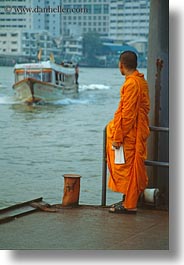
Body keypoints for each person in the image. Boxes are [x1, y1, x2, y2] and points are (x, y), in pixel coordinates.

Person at [106, 51, 150, 214]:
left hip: (132, 132)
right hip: (136, 130)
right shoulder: (141, 81)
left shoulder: (132, 84)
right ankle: (128, 201)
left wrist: (118, 136)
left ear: (121, 65)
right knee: (130, 167)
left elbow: (128, 114)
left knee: (129, 168)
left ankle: (129, 205)